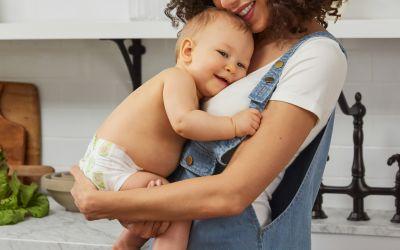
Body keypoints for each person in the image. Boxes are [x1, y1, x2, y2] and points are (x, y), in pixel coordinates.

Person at [70, 0, 347, 249]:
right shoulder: (233, 39)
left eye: (239, 64)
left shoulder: (317, 56)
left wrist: (105, 203)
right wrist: (138, 208)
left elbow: (233, 194)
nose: (228, 2)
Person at [77, 8, 258, 250]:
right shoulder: (177, 78)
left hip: (118, 164)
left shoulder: (190, 88)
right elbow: (184, 122)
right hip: (117, 164)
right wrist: (234, 125)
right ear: (188, 51)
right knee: (178, 211)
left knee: (159, 210)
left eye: (241, 64)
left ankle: (124, 246)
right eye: (223, 53)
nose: (231, 68)